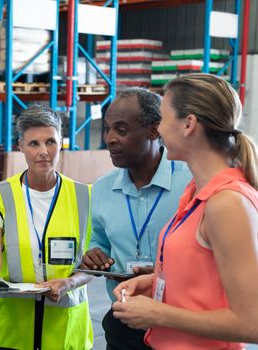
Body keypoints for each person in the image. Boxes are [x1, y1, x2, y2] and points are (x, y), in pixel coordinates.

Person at [112, 74, 258, 349]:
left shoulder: (227, 203)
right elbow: (206, 278)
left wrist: (159, 313)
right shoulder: (195, 193)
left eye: (163, 119)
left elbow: (252, 323)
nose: (160, 129)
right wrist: (155, 282)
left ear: (189, 124)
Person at [0, 104, 94, 350]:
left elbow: (94, 263)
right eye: (33, 144)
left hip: (66, 332)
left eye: (50, 142)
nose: (43, 152)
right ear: (20, 146)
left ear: (61, 143)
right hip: (13, 330)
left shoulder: (87, 197)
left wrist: (69, 282)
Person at [80, 88, 191, 350]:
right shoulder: (102, 189)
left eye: (121, 130)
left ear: (154, 131)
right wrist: (95, 253)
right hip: (123, 324)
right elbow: (99, 239)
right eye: (107, 129)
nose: (109, 139)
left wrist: (165, 275)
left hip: (180, 326)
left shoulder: (191, 182)